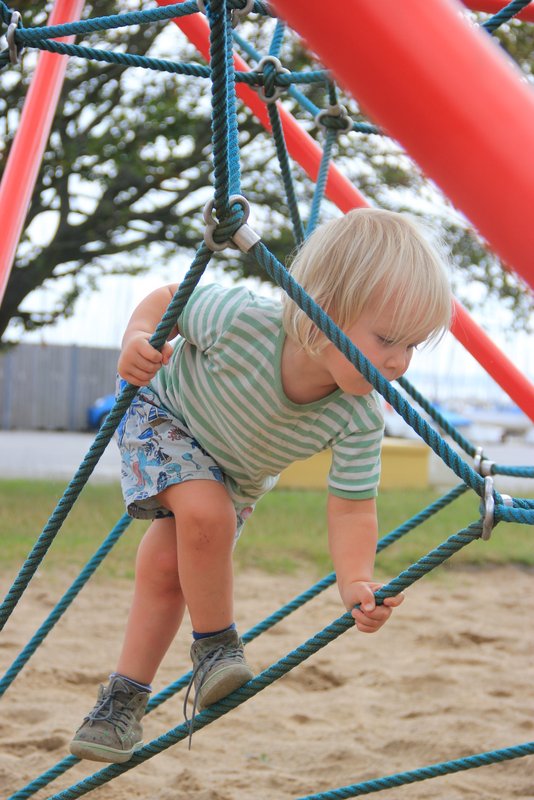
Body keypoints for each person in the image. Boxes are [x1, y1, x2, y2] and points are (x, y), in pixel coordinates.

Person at [70, 208, 452, 763]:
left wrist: (355, 580)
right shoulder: (243, 320)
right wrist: (135, 339)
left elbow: (352, 507)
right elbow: (171, 298)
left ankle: (121, 702)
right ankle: (216, 646)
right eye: (388, 339)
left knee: (167, 570)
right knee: (207, 515)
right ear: (324, 308)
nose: (399, 362)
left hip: (234, 478)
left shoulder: (360, 416)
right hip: (165, 418)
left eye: (413, 346)